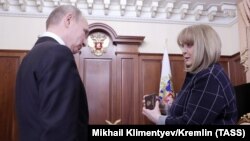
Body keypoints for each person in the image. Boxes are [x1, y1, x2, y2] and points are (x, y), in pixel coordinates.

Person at [15, 5, 89, 141]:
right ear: (68, 20)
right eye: (85, 32)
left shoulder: (30, 56)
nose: (85, 42)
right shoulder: (58, 53)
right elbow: (59, 129)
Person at [142, 24, 238, 125]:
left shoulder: (209, 76)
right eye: (182, 46)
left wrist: (157, 118)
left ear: (205, 46)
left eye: (189, 45)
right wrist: (164, 104)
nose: (183, 51)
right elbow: (191, 110)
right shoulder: (199, 74)